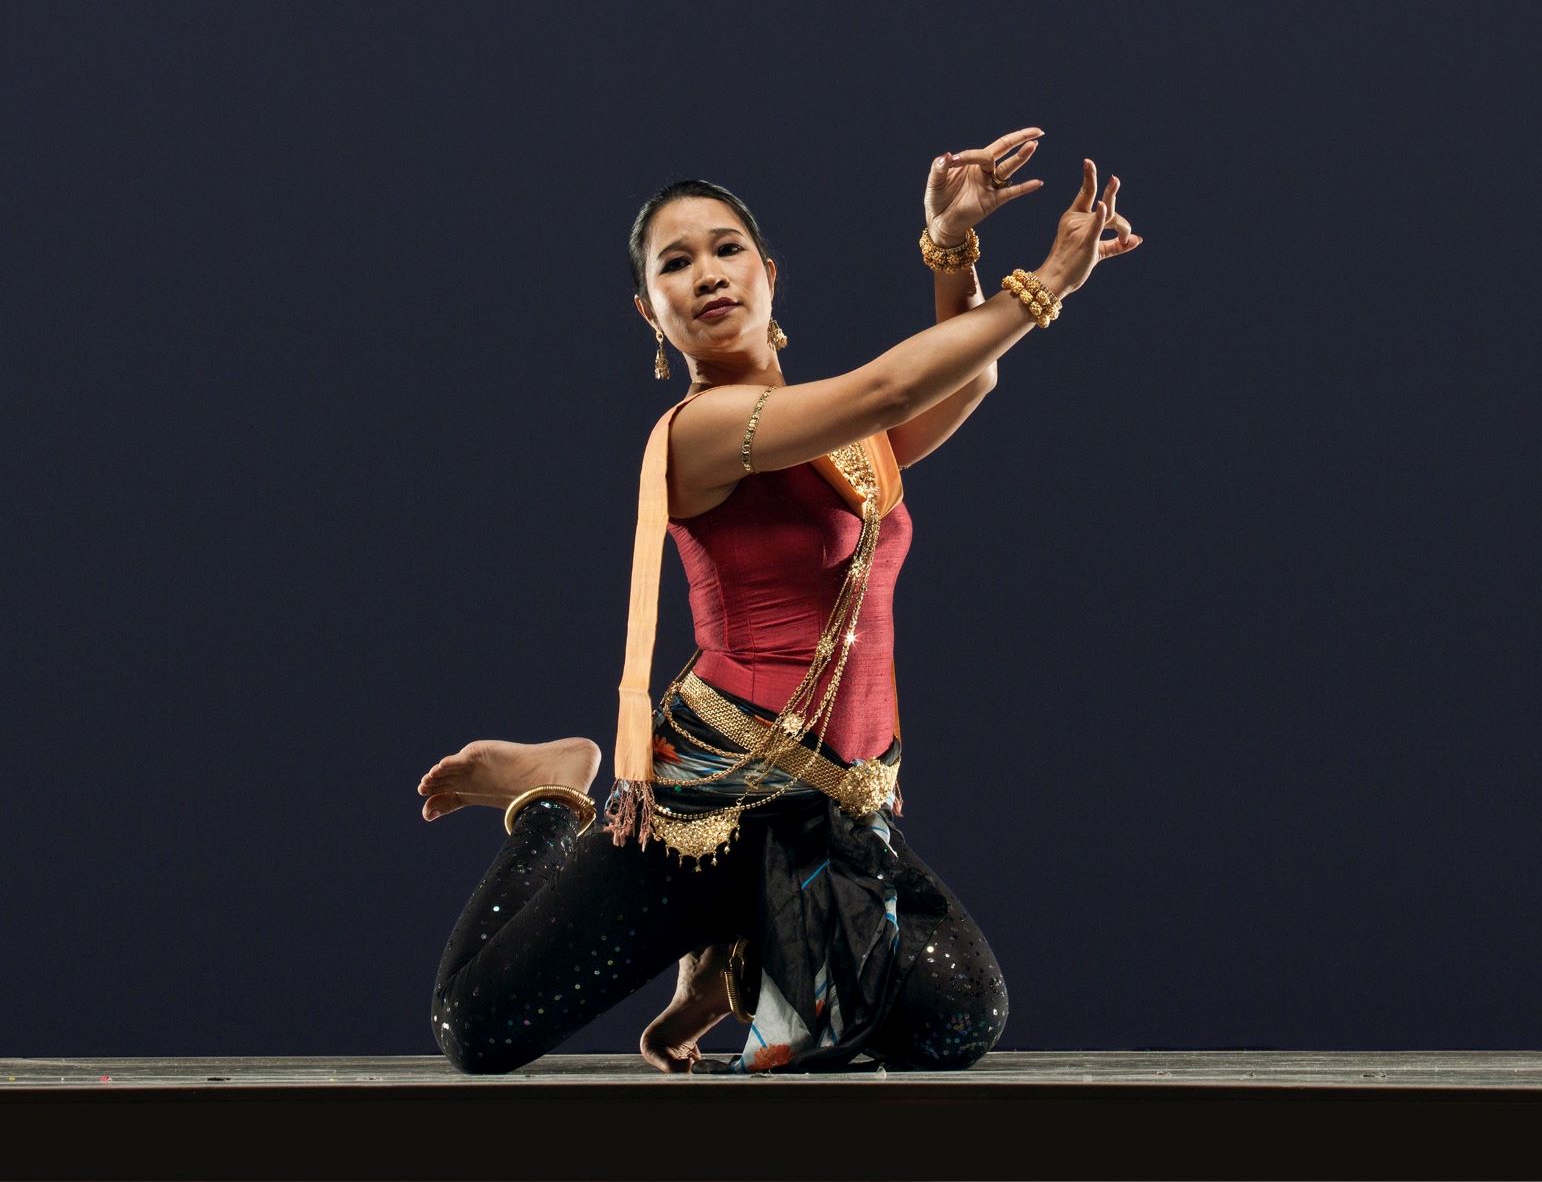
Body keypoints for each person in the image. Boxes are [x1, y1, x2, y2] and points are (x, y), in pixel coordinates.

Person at [417, 127, 1142, 1075]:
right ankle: (551, 794)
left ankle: (750, 947)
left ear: (768, 272)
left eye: (726, 250)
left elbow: (965, 373)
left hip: (833, 808)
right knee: (475, 1031)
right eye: (676, 264)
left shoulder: (836, 434)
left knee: (957, 1013)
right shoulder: (702, 429)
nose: (708, 274)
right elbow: (887, 386)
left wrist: (953, 247)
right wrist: (1044, 279)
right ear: (652, 312)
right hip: (713, 799)